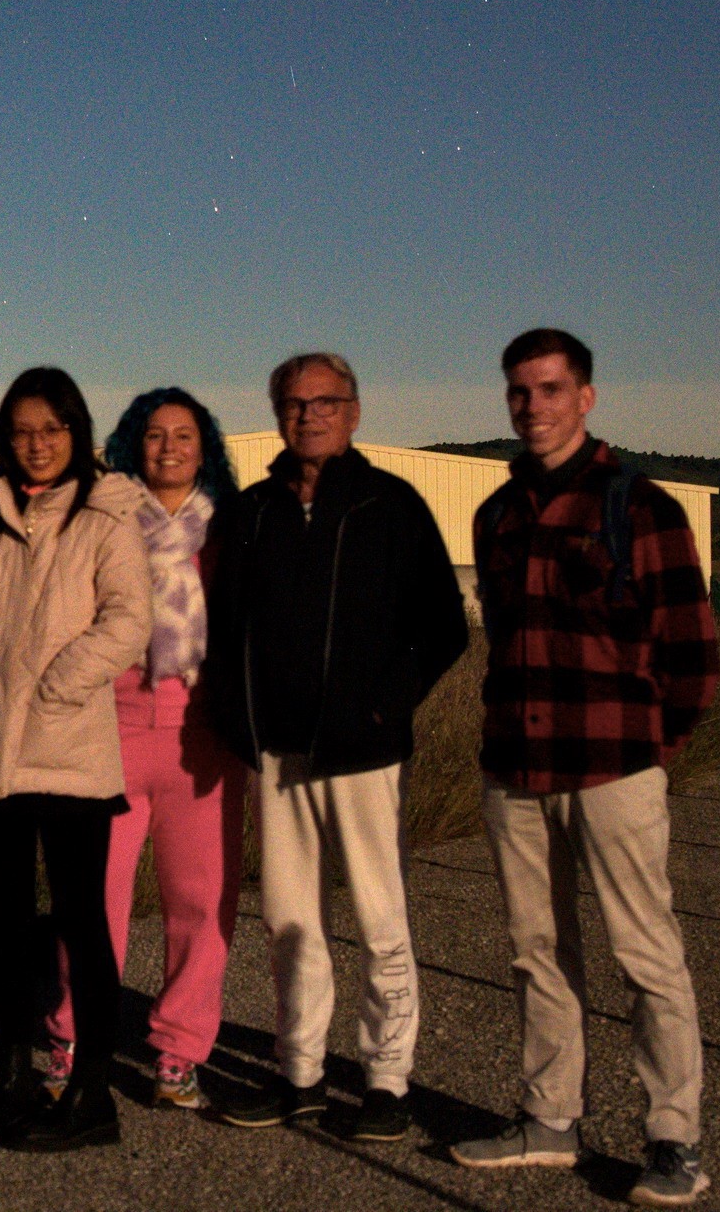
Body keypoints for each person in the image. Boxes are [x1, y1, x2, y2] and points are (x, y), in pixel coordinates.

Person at [450, 330, 718, 1208]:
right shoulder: (497, 514)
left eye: (550, 388)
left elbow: (692, 658)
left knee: (645, 953)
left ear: (586, 396)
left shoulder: (638, 507)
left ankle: (672, 1138)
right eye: (519, 391)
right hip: (516, 769)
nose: (533, 406)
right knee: (536, 952)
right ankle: (549, 1118)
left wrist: (646, 752)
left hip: (612, 770)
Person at [207, 352, 467, 1142]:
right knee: (290, 922)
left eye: (325, 401)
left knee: (381, 920)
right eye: (294, 402)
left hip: (363, 754)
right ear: (276, 413)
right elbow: (222, 629)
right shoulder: (251, 512)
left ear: (353, 412)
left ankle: (386, 1081)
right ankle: (300, 1073)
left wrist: (384, 707)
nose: (309, 414)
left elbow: (443, 626)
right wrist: (237, 718)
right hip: (277, 753)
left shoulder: (390, 505)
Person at [0, 366, 151, 1152]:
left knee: (81, 924)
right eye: (22, 430)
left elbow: (128, 618)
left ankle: (91, 1093)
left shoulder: (105, 510)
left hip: (69, 752)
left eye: (52, 428)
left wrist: (53, 685)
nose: (37, 443)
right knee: (6, 925)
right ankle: (14, 1078)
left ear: (75, 431)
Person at [42, 389, 246, 1112]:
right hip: (113, 728)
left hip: (203, 735)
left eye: (184, 435)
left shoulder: (229, 526)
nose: (169, 448)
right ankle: (72, 1039)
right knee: (93, 900)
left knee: (201, 902)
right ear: (134, 443)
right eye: (155, 435)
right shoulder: (103, 521)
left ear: (204, 445)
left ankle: (179, 1052)